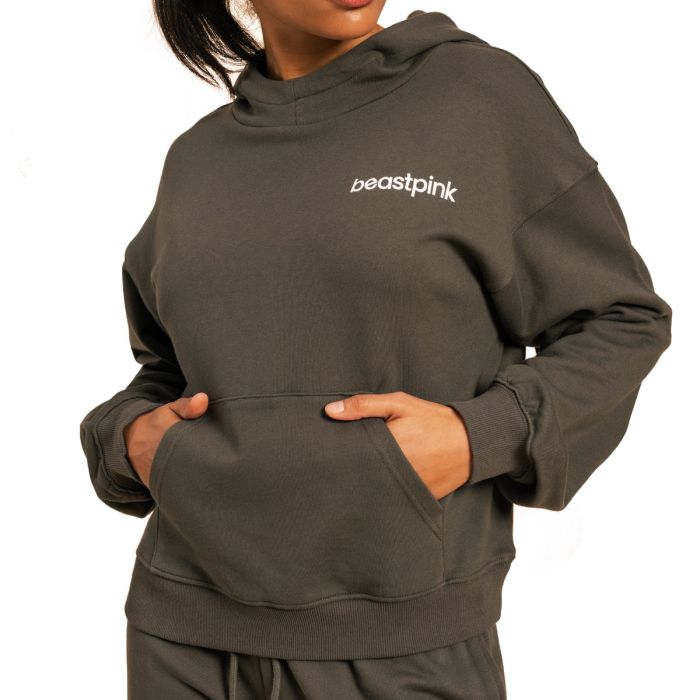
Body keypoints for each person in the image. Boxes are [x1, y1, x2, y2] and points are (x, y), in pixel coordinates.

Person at [78, 2, 673, 698]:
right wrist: (125, 440)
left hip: (403, 644)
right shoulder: (198, 158)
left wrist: (476, 435)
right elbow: (169, 367)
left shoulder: (478, 99)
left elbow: (620, 318)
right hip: (180, 637)